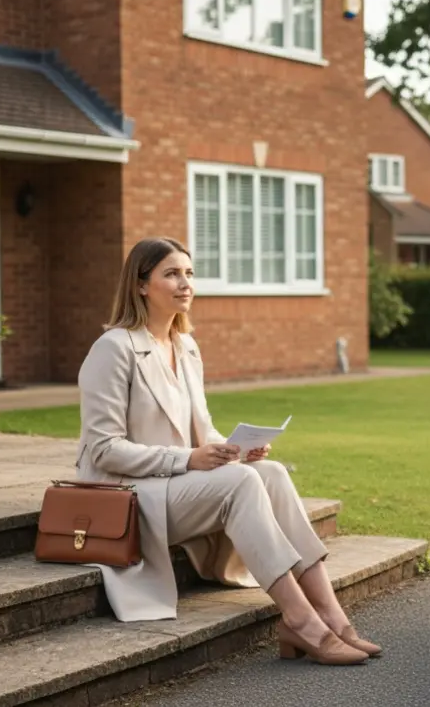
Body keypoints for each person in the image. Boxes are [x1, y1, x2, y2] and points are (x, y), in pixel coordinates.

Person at [75, 236, 380, 666]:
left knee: (269, 472)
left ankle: (333, 615)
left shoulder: (186, 347)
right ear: (141, 285)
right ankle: (300, 620)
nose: (185, 284)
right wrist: (188, 459)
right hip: (130, 496)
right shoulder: (114, 349)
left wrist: (232, 449)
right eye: (172, 274)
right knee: (239, 483)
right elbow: (103, 450)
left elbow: (201, 431)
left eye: (189, 273)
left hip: (175, 487)